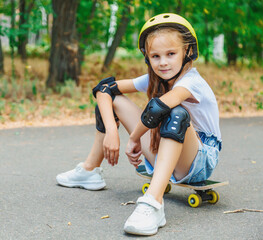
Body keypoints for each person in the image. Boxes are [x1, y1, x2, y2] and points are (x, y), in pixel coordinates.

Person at [56, 13, 222, 236]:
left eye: (171, 54)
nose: (163, 62)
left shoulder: (192, 82)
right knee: (111, 101)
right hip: (164, 147)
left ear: (188, 51)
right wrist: (112, 132)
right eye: (155, 56)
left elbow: (160, 107)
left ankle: (153, 203)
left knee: (175, 112)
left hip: (197, 159)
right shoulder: (155, 78)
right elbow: (102, 90)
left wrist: (133, 138)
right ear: (147, 57)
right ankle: (90, 170)